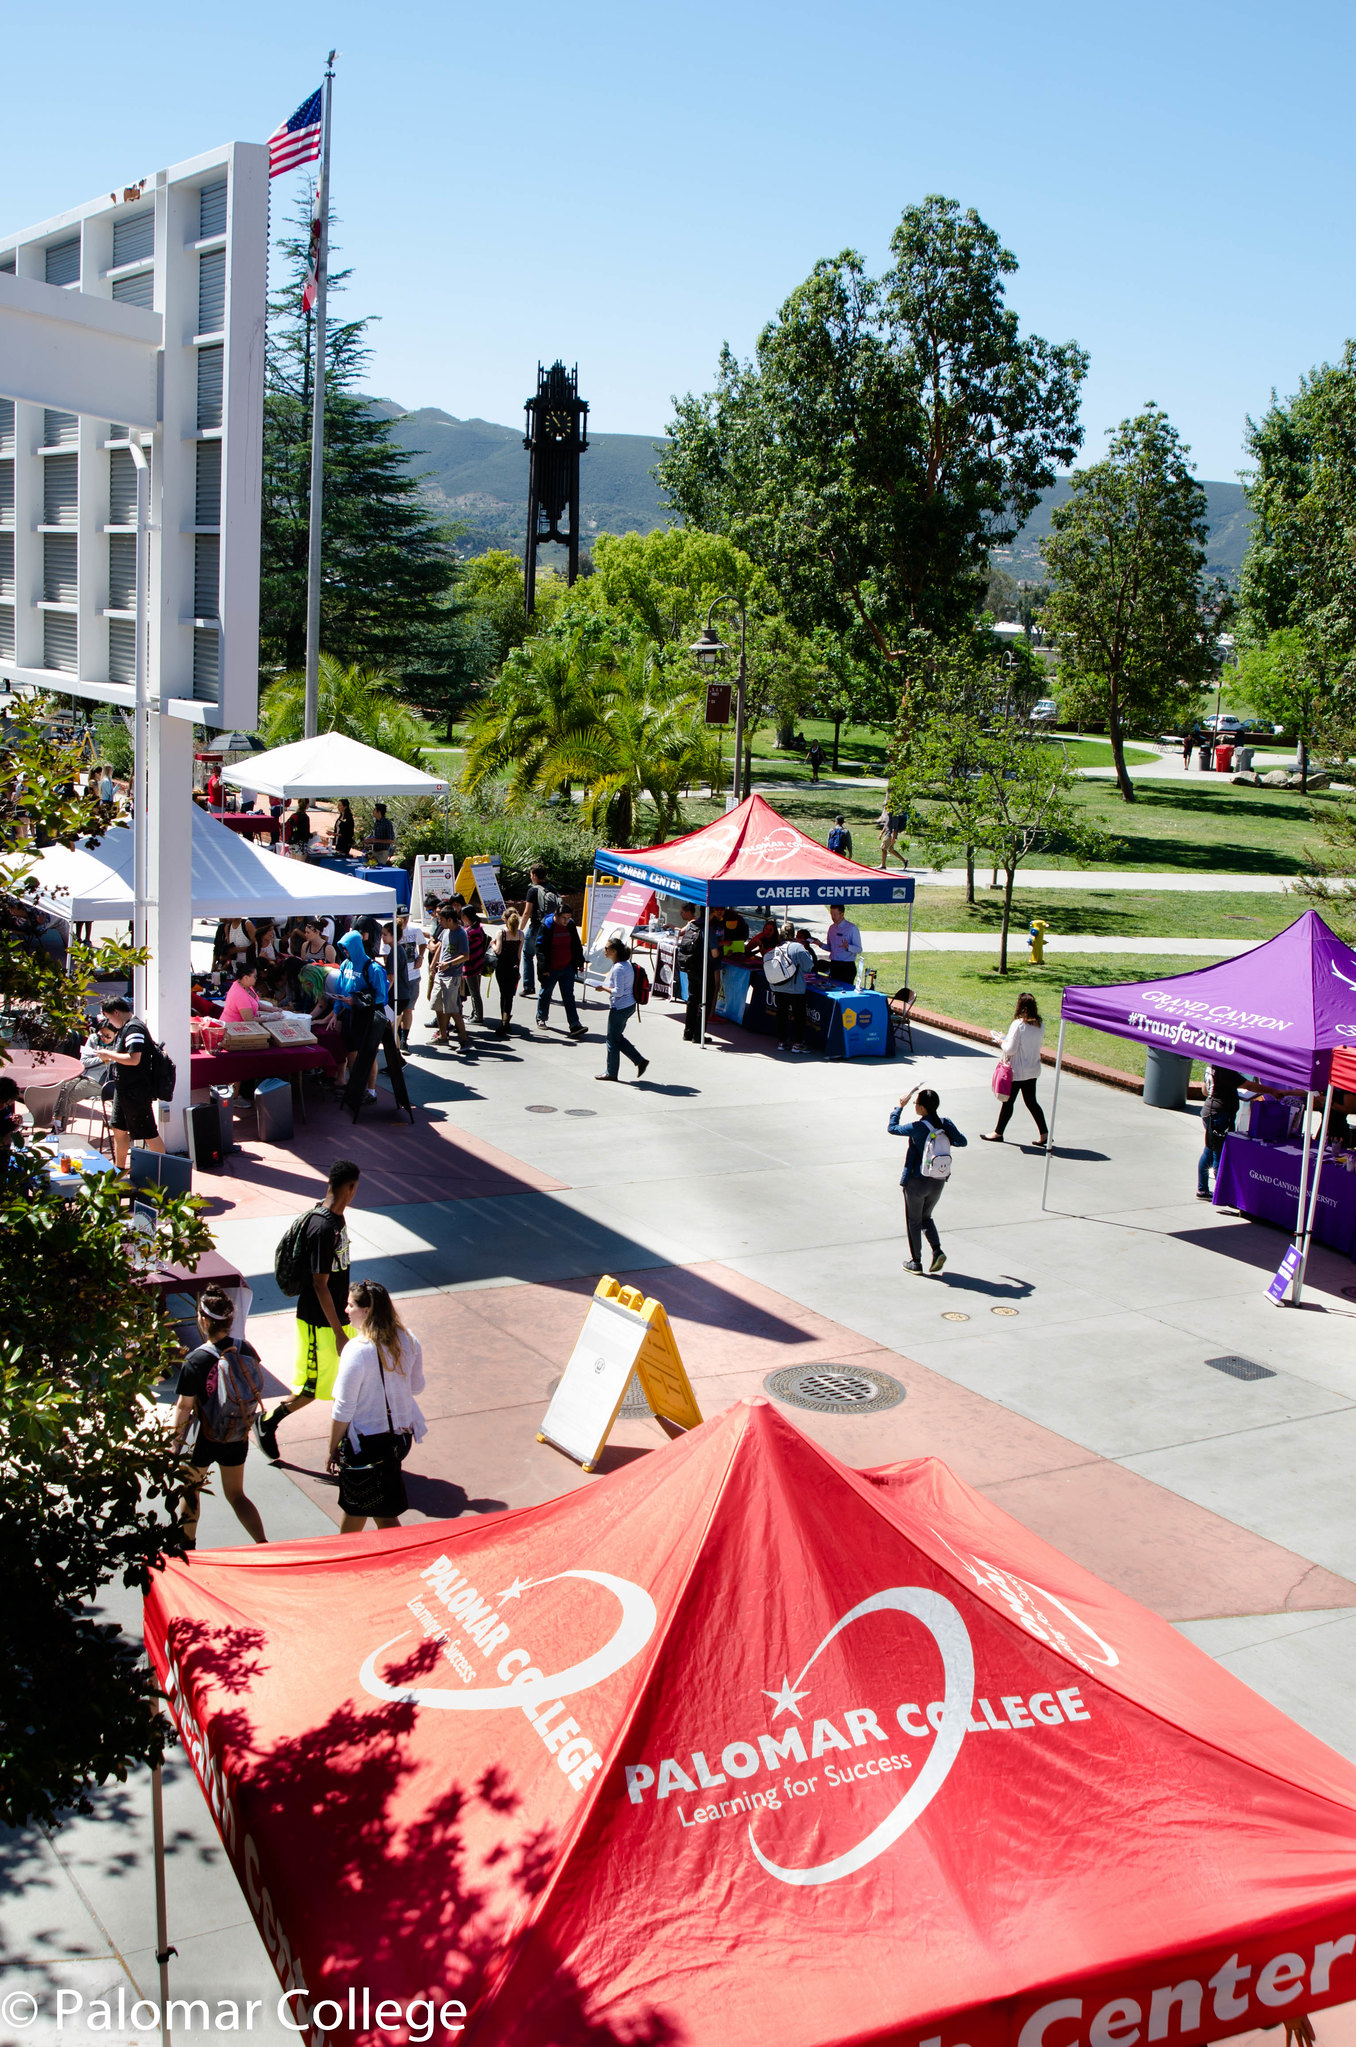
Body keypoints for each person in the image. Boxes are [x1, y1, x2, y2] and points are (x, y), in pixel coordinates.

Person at [256, 1159, 360, 1461]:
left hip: (337, 1318)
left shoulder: (336, 1219)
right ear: (350, 1188)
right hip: (319, 1323)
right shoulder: (323, 1227)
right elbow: (319, 1284)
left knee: (349, 1384)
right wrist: (339, 1333)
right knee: (311, 1388)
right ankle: (267, 1422)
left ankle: (345, 1446)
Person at [171, 1286, 268, 1548]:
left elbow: (184, 1407)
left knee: (190, 1489)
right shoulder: (245, 1349)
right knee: (236, 1495)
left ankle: (187, 1547)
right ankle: (262, 1542)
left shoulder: (196, 1360)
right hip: (237, 1434)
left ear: (203, 1321)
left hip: (206, 1436)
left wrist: (174, 1446)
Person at [327, 1279, 426, 1532]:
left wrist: (332, 1447)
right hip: (398, 1440)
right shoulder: (408, 1339)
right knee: (367, 1506)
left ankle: (400, 1559)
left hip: (366, 1445)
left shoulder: (357, 1350)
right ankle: (347, 1557)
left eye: (350, 1305)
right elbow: (416, 1387)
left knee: (374, 1510)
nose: (346, 1310)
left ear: (366, 1310)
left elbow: (343, 1408)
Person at [889, 1085, 967, 1274]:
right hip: (938, 1180)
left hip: (916, 1181)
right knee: (926, 1217)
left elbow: (892, 1128)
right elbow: (961, 1141)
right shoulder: (945, 1123)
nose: (915, 1105)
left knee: (914, 1220)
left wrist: (899, 1107)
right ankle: (937, 1250)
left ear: (923, 1108)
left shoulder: (917, 1127)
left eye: (916, 1103)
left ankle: (916, 1262)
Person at [97, 995, 165, 1168]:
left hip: (136, 1090)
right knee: (118, 1129)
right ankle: (119, 1169)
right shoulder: (127, 1028)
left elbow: (134, 1058)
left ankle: (164, 1171)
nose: (109, 1022)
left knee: (149, 1132)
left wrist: (109, 1055)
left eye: (108, 1017)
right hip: (124, 1089)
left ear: (116, 1012)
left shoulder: (134, 1029)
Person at [982, 992, 1049, 1149]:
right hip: (1033, 1069)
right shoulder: (1040, 1024)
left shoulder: (1018, 1025)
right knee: (1031, 1102)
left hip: (1017, 1071)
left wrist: (1001, 1041)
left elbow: (1010, 1049)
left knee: (1008, 1102)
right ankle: (1044, 1133)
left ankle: (998, 1133)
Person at [335, 929, 390, 1100]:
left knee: (369, 1053)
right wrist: (337, 1014)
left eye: (347, 948)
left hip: (368, 1016)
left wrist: (357, 1000)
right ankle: (355, 1088)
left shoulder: (373, 968)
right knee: (351, 1051)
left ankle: (371, 1091)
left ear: (356, 947)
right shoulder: (345, 965)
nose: (345, 952)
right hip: (350, 1016)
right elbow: (339, 990)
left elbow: (382, 996)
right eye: (343, 949)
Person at [597, 938, 650, 1083]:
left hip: (620, 1008)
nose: (604, 950)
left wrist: (602, 988)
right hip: (629, 1006)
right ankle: (639, 1060)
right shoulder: (625, 964)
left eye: (607, 948)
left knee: (612, 1040)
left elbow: (618, 992)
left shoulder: (618, 968)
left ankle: (611, 1072)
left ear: (614, 951)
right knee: (616, 1037)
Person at [536, 905, 587, 1036]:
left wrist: (580, 962)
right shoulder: (546, 926)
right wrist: (543, 968)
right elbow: (540, 948)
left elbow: (576, 944)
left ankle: (575, 1024)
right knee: (546, 993)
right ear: (556, 915)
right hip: (551, 968)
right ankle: (541, 1017)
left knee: (569, 996)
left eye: (568, 918)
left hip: (567, 967)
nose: (566, 921)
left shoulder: (570, 925)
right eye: (564, 918)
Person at [428, 905, 471, 1051]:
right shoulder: (445, 931)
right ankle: (443, 1037)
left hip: (452, 977)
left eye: (441, 919)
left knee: (452, 1009)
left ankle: (464, 1040)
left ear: (450, 919)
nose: (439, 922)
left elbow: (466, 956)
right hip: (440, 975)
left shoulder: (461, 934)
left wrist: (449, 964)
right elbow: (440, 946)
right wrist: (433, 964)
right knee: (437, 1006)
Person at [770, 922, 816, 1053]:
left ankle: (781, 1042)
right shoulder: (798, 947)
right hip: (796, 988)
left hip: (778, 986)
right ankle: (797, 1044)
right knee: (798, 1016)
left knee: (781, 1014)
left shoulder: (777, 947)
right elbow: (809, 966)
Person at [1198, 1065, 1242, 1199]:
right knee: (1219, 1153)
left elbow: (1205, 1091)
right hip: (1219, 1115)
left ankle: (1203, 1189)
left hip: (1210, 1112)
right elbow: (1249, 1085)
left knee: (1209, 1150)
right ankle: (1221, 1193)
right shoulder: (1224, 1069)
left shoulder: (1209, 1068)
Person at [520, 863, 554, 997]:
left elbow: (527, 912)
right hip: (550, 928)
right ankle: (546, 986)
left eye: (530, 875)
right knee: (544, 957)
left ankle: (528, 986)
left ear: (534, 875)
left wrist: (519, 930)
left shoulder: (533, 890)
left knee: (528, 955)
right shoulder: (552, 889)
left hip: (536, 927)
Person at [677, 903, 710, 1042]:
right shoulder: (708, 927)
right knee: (704, 1001)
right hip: (703, 967)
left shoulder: (693, 924)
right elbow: (713, 952)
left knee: (692, 999)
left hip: (691, 965)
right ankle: (698, 1034)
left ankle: (688, 1032)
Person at [492, 910, 523, 1035]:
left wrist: (492, 944)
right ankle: (506, 1020)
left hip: (502, 966)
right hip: (514, 967)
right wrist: (518, 969)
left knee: (503, 994)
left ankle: (503, 1021)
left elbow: (498, 951)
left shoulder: (502, 933)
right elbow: (519, 954)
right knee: (510, 995)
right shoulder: (521, 934)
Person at [821, 902, 862, 987]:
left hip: (846, 967)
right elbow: (830, 948)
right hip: (834, 965)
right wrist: (820, 944)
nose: (833, 917)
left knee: (845, 991)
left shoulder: (852, 928)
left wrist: (848, 947)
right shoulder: (831, 928)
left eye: (835, 914)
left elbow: (859, 949)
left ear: (842, 914)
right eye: (831, 914)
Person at [460, 904, 488, 1025]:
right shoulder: (478, 928)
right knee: (475, 991)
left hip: (470, 966)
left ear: (465, 916)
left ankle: (478, 1016)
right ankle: (475, 1014)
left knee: (474, 992)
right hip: (478, 964)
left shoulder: (469, 932)